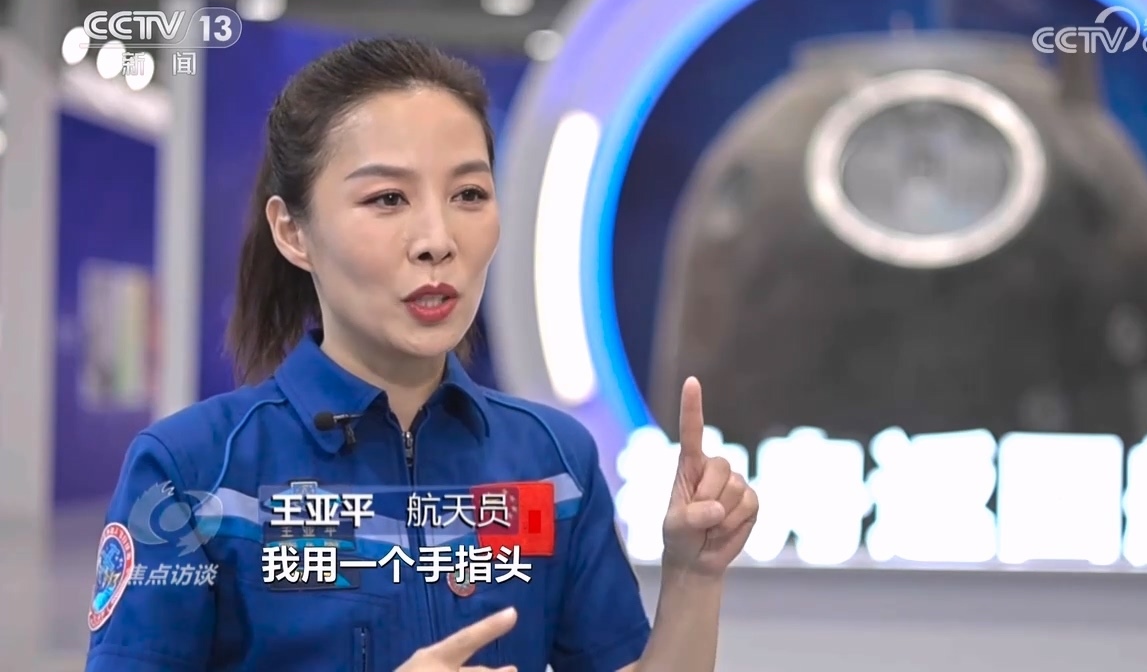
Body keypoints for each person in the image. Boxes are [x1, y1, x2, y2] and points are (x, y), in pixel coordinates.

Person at [84, 37, 758, 672]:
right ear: (293, 231)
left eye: (469, 194)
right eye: (387, 198)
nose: (437, 239)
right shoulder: (193, 473)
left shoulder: (553, 464)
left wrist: (694, 576)